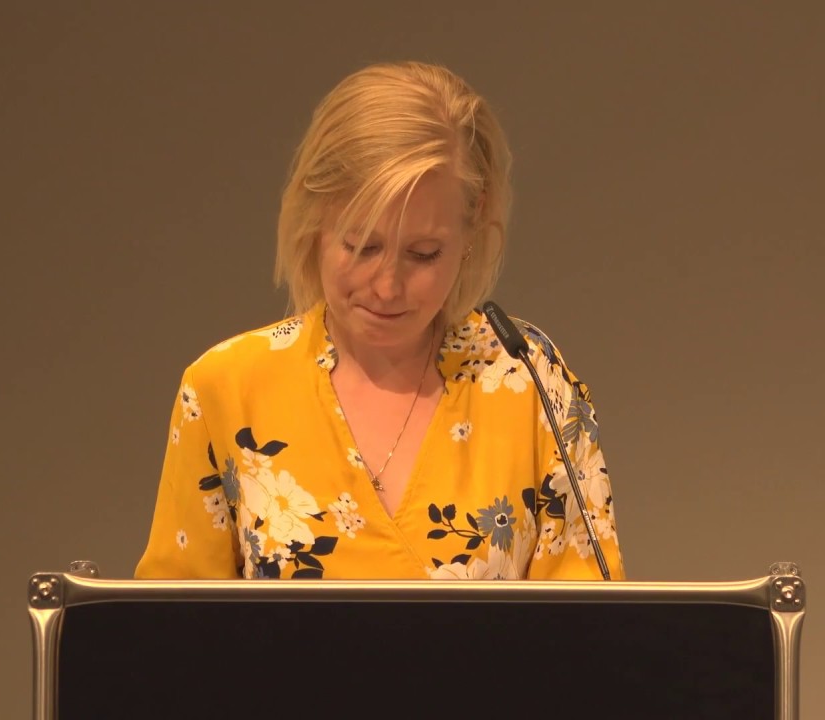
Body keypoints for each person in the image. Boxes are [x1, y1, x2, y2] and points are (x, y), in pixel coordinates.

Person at [134, 61, 624, 580]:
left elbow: (592, 629)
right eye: (362, 246)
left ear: (473, 224)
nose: (388, 286)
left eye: (424, 253)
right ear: (314, 217)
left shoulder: (531, 383)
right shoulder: (225, 389)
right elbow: (169, 636)